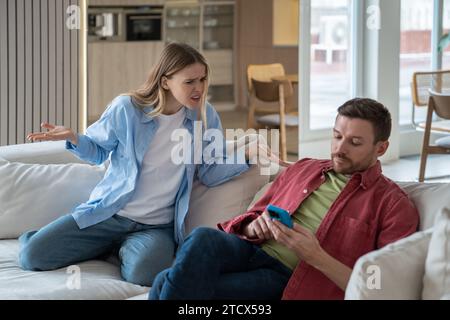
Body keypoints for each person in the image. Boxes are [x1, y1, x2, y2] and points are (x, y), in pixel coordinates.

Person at [19, 43, 274, 287]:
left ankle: (117, 249)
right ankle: (97, 242)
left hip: (156, 227)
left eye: (202, 79)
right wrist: (75, 138)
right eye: (189, 82)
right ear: (165, 81)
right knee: (32, 255)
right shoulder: (127, 108)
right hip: (110, 214)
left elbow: (209, 171)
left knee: (146, 273)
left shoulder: (204, 116)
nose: (199, 88)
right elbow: (98, 153)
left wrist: (246, 156)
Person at [149, 98, 420, 300]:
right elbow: (251, 216)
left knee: (166, 282)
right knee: (201, 238)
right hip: (251, 250)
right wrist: (253, 227)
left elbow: (382, 288)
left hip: (288, 277)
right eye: (337, 136)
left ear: (381, 148)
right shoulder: (304, 168)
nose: (340, 148)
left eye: (355, 143)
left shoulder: (393, 205)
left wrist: (315, 256)